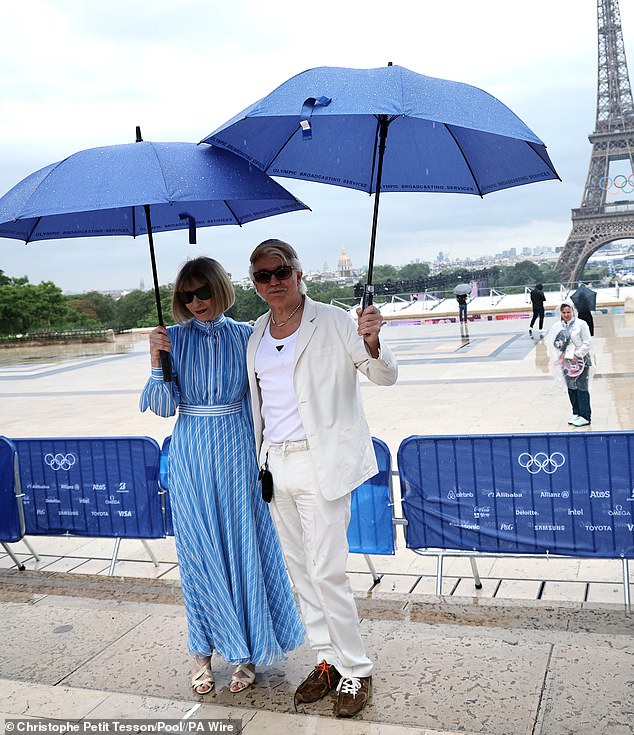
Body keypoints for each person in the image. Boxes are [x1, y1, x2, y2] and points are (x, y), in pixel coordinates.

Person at [246, 239, 398, 718]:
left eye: (281, 272)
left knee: (327, 570)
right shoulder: (255, 333)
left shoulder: (334, 321)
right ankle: (326, 658)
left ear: (298, 272)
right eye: (262, 275)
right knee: (300, 572)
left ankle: (356, 668)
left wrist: (372, 340)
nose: (273, 282)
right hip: (275, 462)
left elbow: (383, 377)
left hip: (320, 461)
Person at [140, 256, 304, 696]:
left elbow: (275, 388)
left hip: (237, 450)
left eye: (203, 292)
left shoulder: (247, 336)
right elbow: (160, 408)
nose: (195, 303)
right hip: (192, 453)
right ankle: (202, 653)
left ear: (220, 289)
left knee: (242, 547)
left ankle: (245, 651)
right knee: (199, 556)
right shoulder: (170, 340)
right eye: (186, 296)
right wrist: (157, 362)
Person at [545, 298, 593, 427]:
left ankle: (585, 415)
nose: (566, 315)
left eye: (568, 312)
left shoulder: (581, 324)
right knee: (571, 388)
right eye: (564, 313)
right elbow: (554, 344)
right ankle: (576, 412)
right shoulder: (558, 326)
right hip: (566, 363)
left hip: (581, 361)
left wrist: (577, 355)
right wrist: (560, 356)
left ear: (573, 311)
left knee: (582, 387)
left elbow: (587, 342)